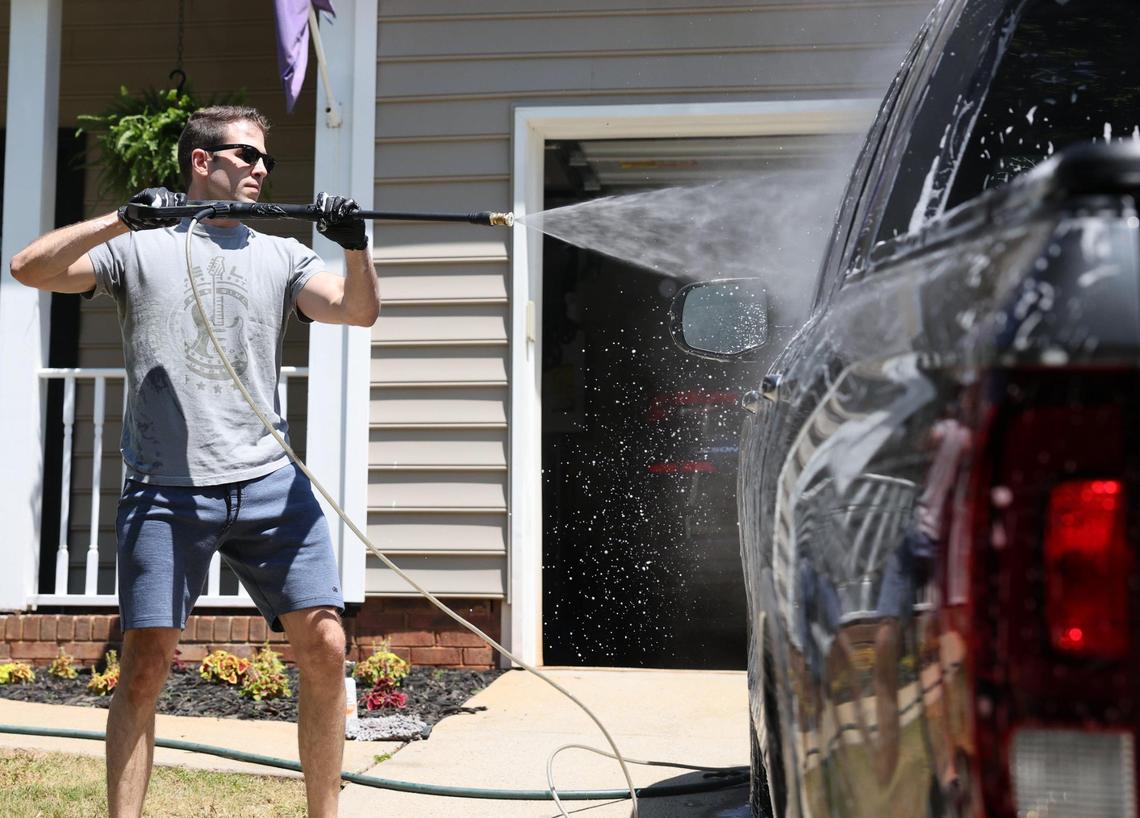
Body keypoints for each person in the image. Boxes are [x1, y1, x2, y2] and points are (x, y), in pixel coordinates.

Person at [10, 105, 377, 818]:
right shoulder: (138, 247)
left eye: (266, 158)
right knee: (145, 665)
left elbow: (356, 311)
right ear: (201, 162)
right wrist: (121, 219)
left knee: (327, 646)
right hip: (166, 493)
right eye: (246, 155)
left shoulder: (280, 255)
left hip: (271, 486)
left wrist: (356, 247)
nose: (262, 168)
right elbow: (30, 268)